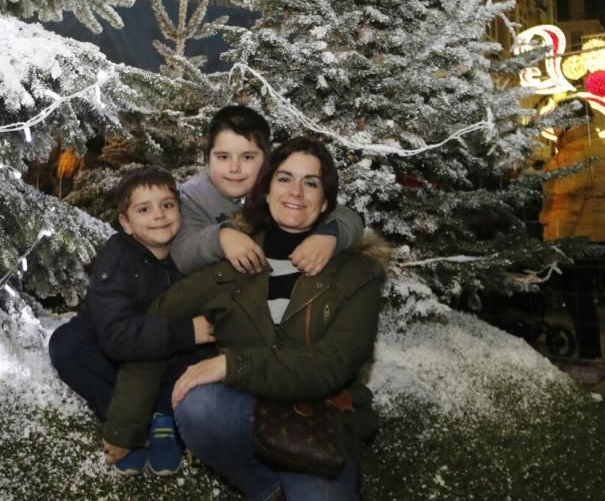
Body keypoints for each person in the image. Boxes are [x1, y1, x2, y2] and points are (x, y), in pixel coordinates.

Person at [103, 137, 386, 500]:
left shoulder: (357, 274)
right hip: (245, 407)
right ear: (265, 191)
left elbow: (329, 367)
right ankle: (264, 487)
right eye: (284, 179)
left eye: (311, 182)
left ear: (326, 202)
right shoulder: (232, 265)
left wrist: (231, 365)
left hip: (319, 418)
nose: (296, 191)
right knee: (198, 404)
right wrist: (124, 428)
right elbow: (158, 321)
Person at [47, 166, 215, 475]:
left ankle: (162, 415)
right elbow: (117, 336)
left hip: (168, 359)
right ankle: (123, 419)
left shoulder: (192, 252)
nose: (159, 215)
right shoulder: (116, 258)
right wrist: (185, 331)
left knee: (198, 349)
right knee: (65, 345)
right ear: (126, 223)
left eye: (167, 205)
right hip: (116, 345)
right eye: (144, 209)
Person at [171, 105, 364, 277]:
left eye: (247, 157)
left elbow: (344, 215)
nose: (234, 168)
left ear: (266, 159)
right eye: (223, 157)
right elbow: (182, 255)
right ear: (207, 159)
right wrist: (221, 238)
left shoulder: (275, 185)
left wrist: (330, 235)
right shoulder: (191, 197)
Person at [539, 117, 605, 384]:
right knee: (582, 299)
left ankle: (591, 359)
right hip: (594, 233)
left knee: (579, 300)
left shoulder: (578, 150)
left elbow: (567, 203)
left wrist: (556, 243)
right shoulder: (593, 145)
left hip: (578, 236)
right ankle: (591, 357)